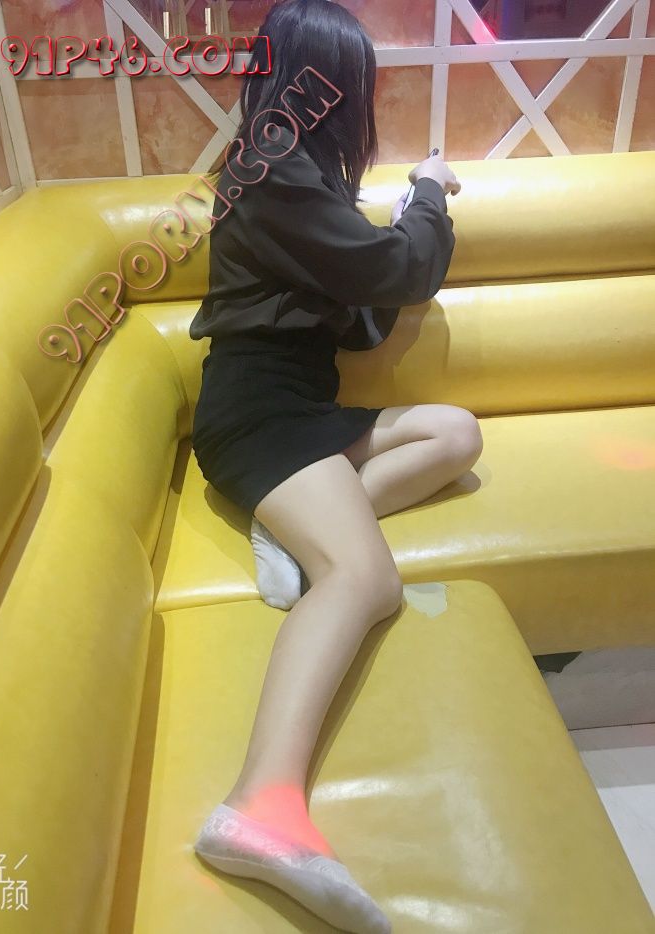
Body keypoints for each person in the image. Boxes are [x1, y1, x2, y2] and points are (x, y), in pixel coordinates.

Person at [189, 2, 481, 931]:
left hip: (305, 413)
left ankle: (291, 528)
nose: (360, 99)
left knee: (455, 435)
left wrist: (388, 230)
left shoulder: (294, 172)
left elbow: (362, 306)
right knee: (364, 579)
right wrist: (427, 192)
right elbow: (399, 274)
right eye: (358, 81)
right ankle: (257, 808)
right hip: (257, 417)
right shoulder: (271, 167)